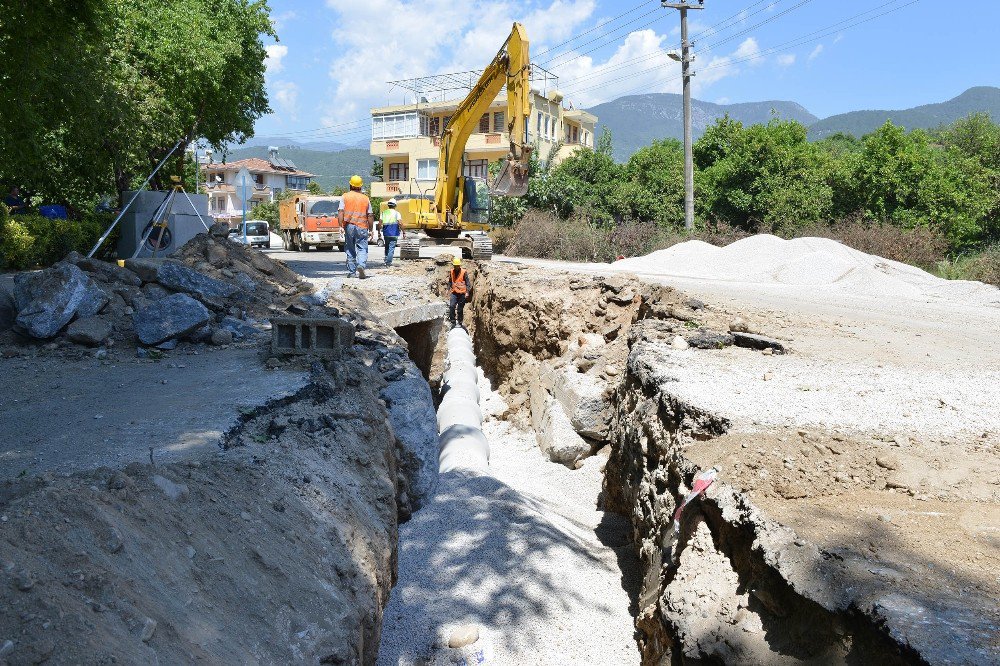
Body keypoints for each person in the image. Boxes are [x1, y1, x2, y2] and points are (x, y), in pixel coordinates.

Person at [338, 175, 373, 278]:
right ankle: (361, 265)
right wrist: (371, 229)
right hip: (362, 226)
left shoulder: (345, 196)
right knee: (362, 248)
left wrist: (340, 226)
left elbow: (341, 211)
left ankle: (352, 272)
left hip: (349, 226)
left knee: (350, 248)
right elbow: (370, 215)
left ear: (350, 185)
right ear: (360, 186)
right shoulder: (366, 198)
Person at [447, 256, 472, 329]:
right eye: (455, 266)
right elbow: (450, 281)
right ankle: (453, 322)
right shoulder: (451, 271)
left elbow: (468, 283)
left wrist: (467, 292)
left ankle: (460, 322)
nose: (456, 267)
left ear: (459, 265)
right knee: (452, 306)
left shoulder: (464, 272)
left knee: (460, 309)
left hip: (462, 294)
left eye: (457, 266)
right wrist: (447, 289)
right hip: (454, 293)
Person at [379, 199, 403, 267]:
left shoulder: (383, 213)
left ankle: (386, 260)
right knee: (391, 248)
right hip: (394, 233)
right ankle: (388, 263)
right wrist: (403, 232)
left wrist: (378, 232)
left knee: (387, 247)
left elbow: (380, 223)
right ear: (395, 205)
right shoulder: (397, 213)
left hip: (386, 233)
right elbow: (400, 223)